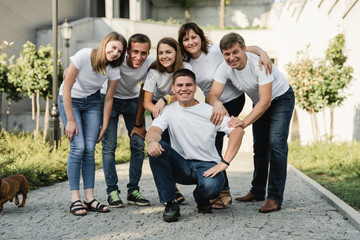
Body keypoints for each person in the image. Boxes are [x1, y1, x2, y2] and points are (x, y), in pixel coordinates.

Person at [178, 22, 272, 209]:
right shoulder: (186, 62)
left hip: (234, 99)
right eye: (186, 39)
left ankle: (226, 191)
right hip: (213, 103)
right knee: (212, 142)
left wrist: (263, 53)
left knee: (217, 141)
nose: (191, 42)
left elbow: (245, 48)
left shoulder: (213, 50)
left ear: (201, 37)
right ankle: (221, 190)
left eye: (194, 37)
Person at [208, 32, 295, 213]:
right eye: (227, 54)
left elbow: (266, 101)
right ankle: (257, 191)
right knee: (260, 147)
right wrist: (217, 103)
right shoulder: (224, 68)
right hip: (261, 102)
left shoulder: (259, 64)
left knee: (276, 145)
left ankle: (275, 198)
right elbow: (212, 95)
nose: (232, 58)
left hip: (280, 99)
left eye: (235, 52)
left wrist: (243, 122)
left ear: (244, 50)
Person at [146, 68, 244, 222]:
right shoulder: (168, 110)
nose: (184, 89)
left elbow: (237, 131)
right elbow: (154, 130)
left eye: (188, 85)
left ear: (195, 87)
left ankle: (201, 197)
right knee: (158, 148)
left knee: (212, 187)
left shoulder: (211, 111)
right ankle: (170, 204)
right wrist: (151, 142)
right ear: (173, 89)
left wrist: (224, 163)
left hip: (207, 166)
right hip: (182, 166)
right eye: (179, 85)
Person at [58, 31, 127, 216]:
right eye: (113, 47)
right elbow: (66, 88)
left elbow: (109, 99)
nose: (115, 53)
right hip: (71, 99)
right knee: (78, 147)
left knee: (90, 148)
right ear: (105, 44)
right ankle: (75, 198)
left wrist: (104, 125)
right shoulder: (83, 55)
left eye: (120, 51)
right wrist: (70, 121)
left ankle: (89, 198)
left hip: (93, 103)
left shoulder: (113, 69)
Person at [100, 34, 154, 207]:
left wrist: (138, 124)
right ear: (128, 51)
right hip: (110, 100)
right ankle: (112, 191)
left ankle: (133, 190)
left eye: (143, 53)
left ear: (148, 53)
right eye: (135, 52)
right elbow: (95, 60)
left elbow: (144, 92)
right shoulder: (117, 57)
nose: (139, 57)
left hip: (133, 101)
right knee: (109, 146)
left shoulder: (150, 63)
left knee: (138, 145)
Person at [143, 37, 186, 203]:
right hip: (159, 111)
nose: (164, 56)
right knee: (161, 149)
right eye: (160, 52)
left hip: (178, 107)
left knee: (178, 148)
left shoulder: (184, 68)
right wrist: (160, 110)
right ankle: (171, 190)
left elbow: (185, 92)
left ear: (176, 53)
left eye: (168, 52)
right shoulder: (154, 72)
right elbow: (146, 102)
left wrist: (165, 99)